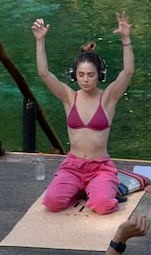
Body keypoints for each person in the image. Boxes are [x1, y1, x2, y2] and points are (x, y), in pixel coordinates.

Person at [33, 13, 136, 214]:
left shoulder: (108, 98)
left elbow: (128, 72)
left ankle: (113, 186)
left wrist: (126, 39)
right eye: (81, 75)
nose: (85, 79)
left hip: (100, 167)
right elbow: (44, 74)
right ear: (74, 75)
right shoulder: (68, 97)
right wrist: (40, 40)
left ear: (100, 75)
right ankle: (83, 188)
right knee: (52, 203)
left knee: (103, 205)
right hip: (73, 165)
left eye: (90, 75)